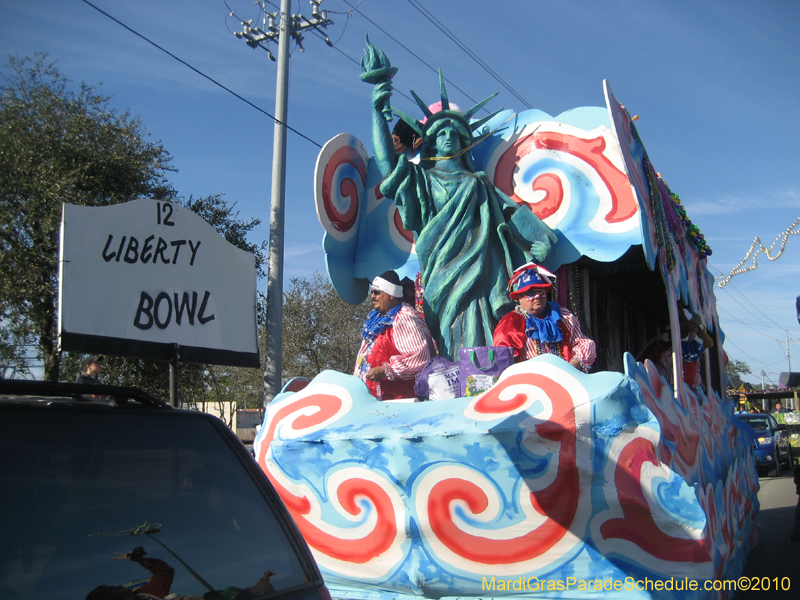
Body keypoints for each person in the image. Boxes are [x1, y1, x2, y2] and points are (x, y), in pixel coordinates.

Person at [364, 42, 557, 361]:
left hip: (482, 272)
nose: (448, 137)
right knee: (451, 338)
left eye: (455, 133)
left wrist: (541, 240)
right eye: (441, 133)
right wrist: (377, 109)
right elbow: (387, 166)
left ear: (466, 142)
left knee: (484, 333)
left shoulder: (477, 183)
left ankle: (485, 391)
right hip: (442, 274)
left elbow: (511, 213)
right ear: (433, 143)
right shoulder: (423, 180)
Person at [492, 263, 596, 373]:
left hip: (565, 378)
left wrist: (574, 365)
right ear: (520, 298)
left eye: (541, 292)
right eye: (531, 293)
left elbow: (583, 343)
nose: (537, 296)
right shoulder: (511, 322)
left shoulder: (563, 315)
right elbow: (503, 357)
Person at [354, 271, 435, 400]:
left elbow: (419, 358)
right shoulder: (375, 319)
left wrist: (386, 370)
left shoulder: (403, 316)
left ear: (391, 294)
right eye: (372, 292)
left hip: (399, 401)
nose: (372, 296)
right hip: (374, 400)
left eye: (377, 292)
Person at [636, 308, 712, 389]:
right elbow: (641, 362)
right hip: (659, 392)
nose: (692, 332)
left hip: (683, 397)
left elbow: (696, 378)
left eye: (695, 329)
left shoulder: (695, 352)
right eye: (690, 327)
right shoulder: (662, 344)